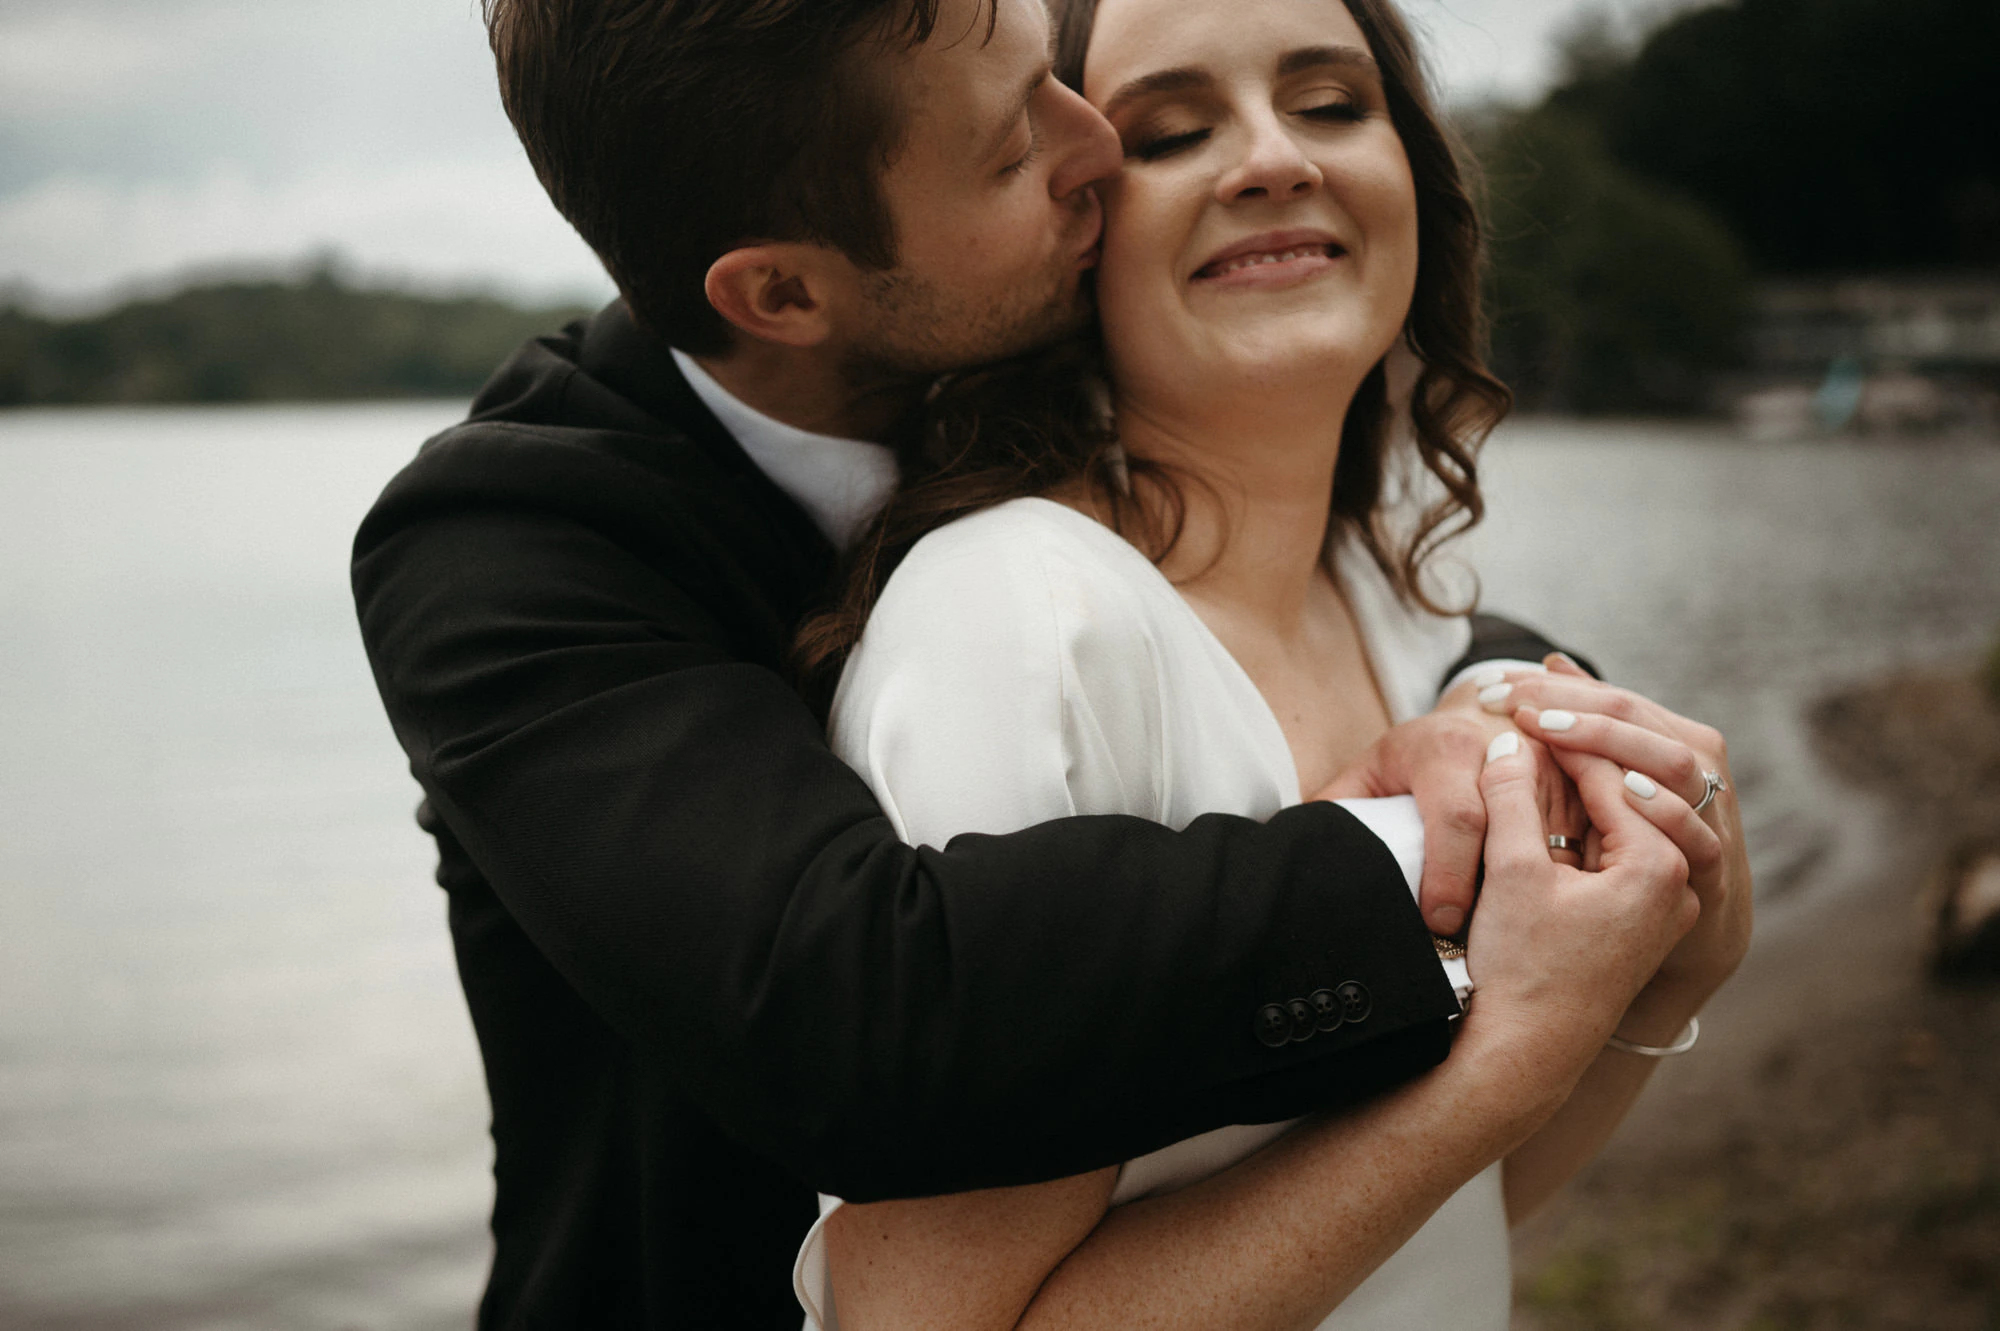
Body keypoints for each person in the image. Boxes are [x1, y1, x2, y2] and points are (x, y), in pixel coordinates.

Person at [348, 0, 1745, 1326]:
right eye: (1028, 142)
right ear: (782, 290)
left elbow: (1432, 1216)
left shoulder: (1311, 565)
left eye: (1329, 99)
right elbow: (864, 1005)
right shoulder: (527, 546)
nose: (1096, 152)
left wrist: (1542, 763)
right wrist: (1469, 858)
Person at [785, 0, 1752, 1325]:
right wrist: (1516, 1052)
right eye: (1172, 131)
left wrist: (1668, 971)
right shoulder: (1025, 622)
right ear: (1067, 224)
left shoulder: (1400, 616)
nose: (1273, 159)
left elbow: (1439, 1217)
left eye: (1334, 104)